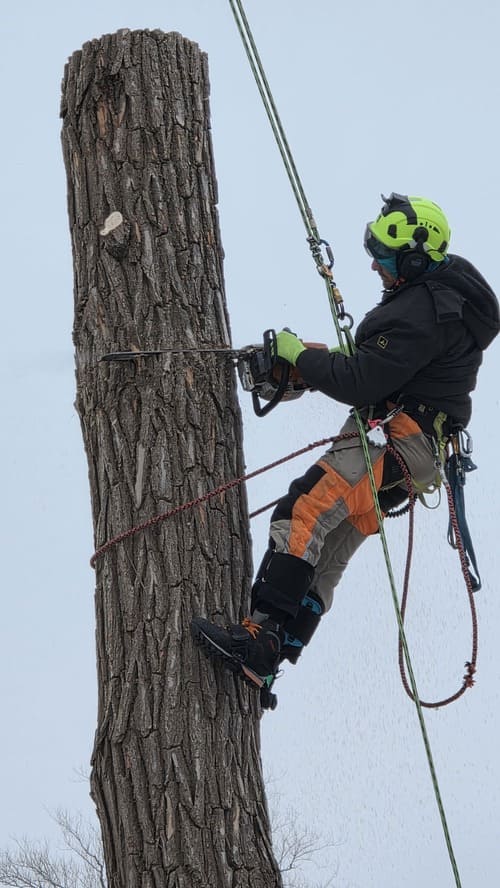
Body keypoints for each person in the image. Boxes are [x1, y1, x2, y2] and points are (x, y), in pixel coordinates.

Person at [191, 192, 499, 707]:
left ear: (417, 257)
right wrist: (314, 363)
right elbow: (379, 368)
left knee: (304, 510)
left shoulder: (423, 311)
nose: (376, 265)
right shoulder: (446, 298)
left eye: (385, 256)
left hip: (397, 440)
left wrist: (299, 357)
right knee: (330, 548)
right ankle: (273, 657)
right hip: (416, 454)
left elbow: (360, 381)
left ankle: (257, 634)